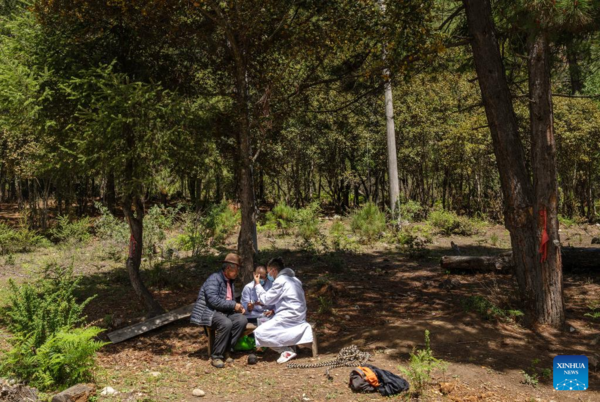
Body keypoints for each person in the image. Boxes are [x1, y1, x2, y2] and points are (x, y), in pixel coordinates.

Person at [190, 253, 248, 368]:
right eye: (236, 271)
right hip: (210, 312)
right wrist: (233, 305)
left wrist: (238, 307)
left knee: (241, 320)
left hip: (224, 311)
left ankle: (226, 350)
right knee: (226, 323)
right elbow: (213, 301)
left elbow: (229, 300)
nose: (237, 273)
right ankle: (216, 356)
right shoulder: (214, 279)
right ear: (228, 269)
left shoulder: (229, 281)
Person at [253, 257, 313, 364]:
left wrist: (257, 285)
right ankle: (291, 348)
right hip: (299, 316)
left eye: (268, 272)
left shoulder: (280, 281)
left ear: (274, 270)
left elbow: (266, 299)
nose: (268, 276)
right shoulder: (296, 280)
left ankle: (285, 350)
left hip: (288, 316)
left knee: (259, 332)